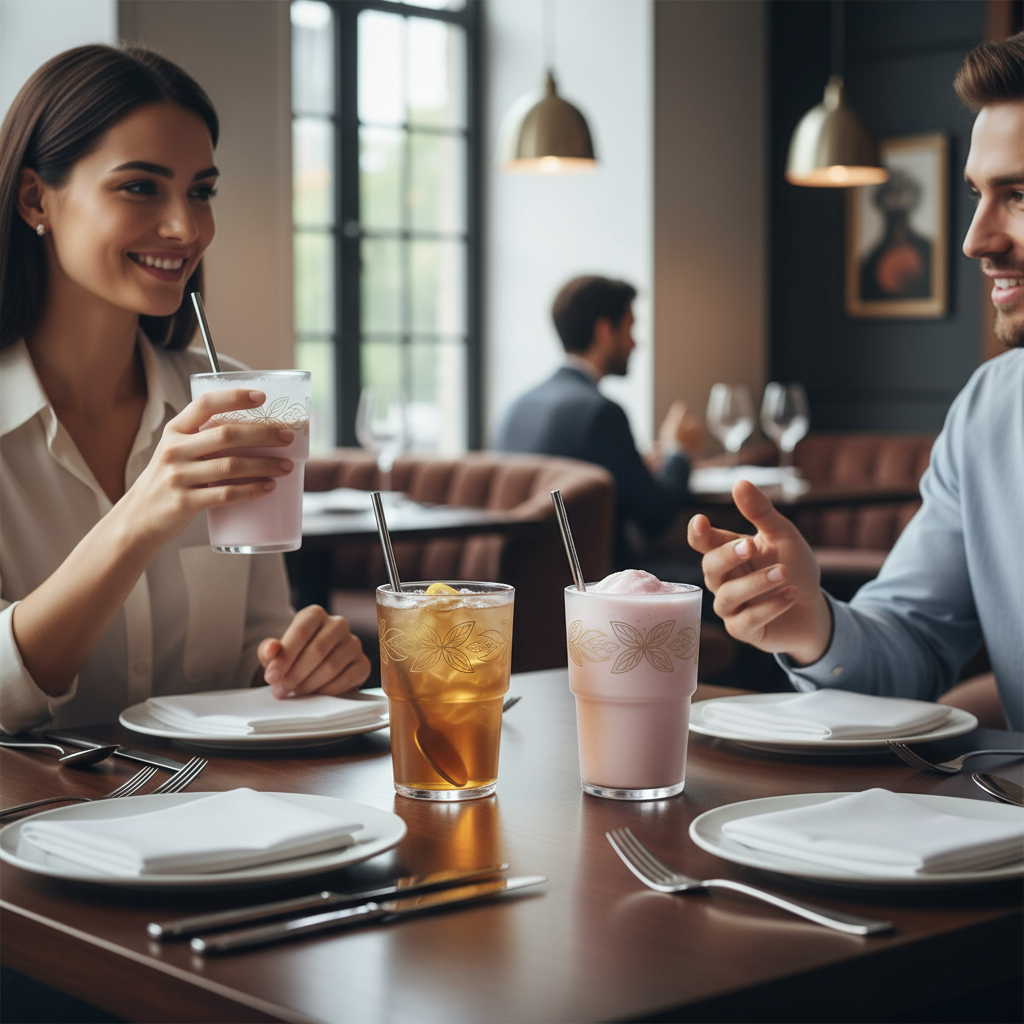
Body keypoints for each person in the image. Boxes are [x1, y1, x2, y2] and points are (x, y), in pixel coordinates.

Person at [0, 45, 370, 734]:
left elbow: (249, 665)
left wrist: (304, 665)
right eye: (141, 186)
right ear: (34, 199)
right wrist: (141, 519)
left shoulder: (238, 403)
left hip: (214, 820)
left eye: (201, 191)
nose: (186, 227)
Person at [688, 31, 1024, 732]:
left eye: (1019, 196)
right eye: (977, 195)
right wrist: (812, 625)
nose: (975, 239)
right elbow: (912, 644)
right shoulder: (990, 411)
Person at [496, 275, 704, 570]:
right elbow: (656, 517)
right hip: (599, 583)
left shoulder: (517, 406)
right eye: (630, 327)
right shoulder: (601, 413)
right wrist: (679, 451)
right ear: (605, 330)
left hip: (531, 579)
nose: (636, 342)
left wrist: (638, 466)